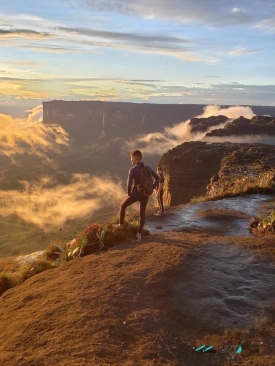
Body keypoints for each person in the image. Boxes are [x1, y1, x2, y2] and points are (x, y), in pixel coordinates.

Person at [113, 150, 159, 241]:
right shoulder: (148, 167)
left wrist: (128, 194)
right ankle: (139, 233)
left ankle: (120, 225)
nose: (131, 159)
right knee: (142, 213)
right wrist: (152, 188)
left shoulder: (133, 170)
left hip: (135, 194)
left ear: (135, 158)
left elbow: (129, 184)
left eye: (131, 158)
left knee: (122, 206)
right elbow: (157, 178)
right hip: (145, 194)